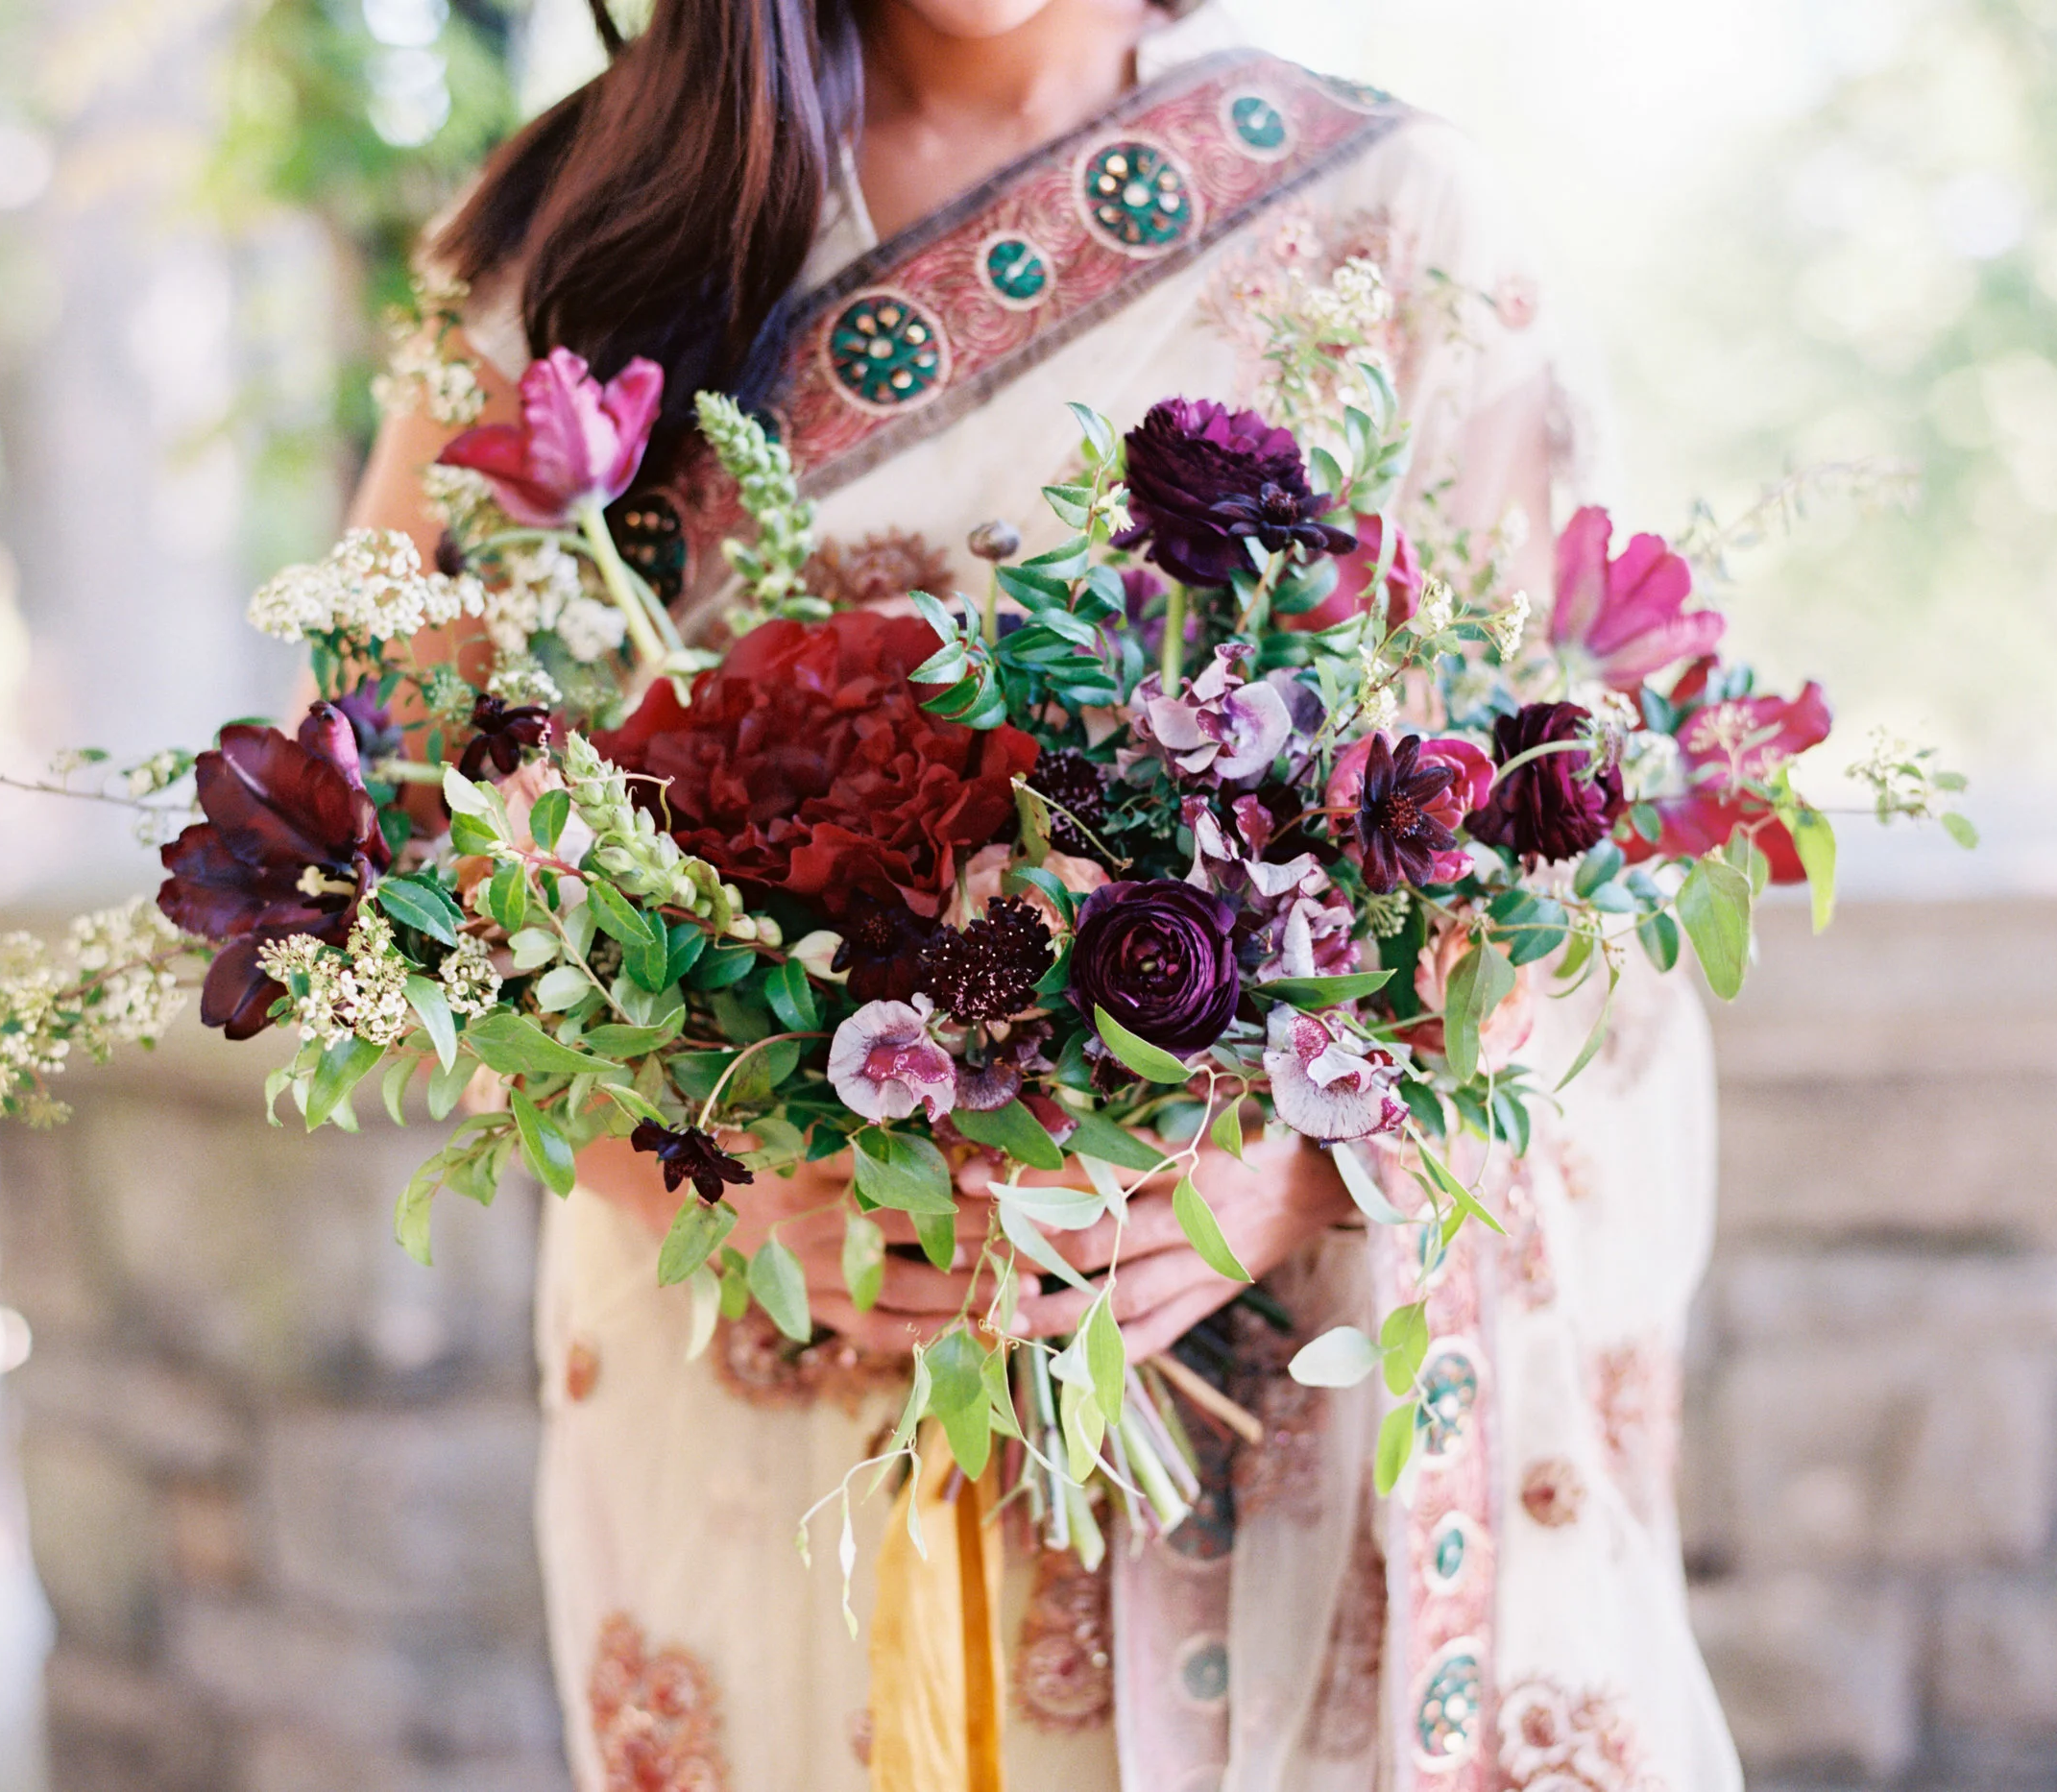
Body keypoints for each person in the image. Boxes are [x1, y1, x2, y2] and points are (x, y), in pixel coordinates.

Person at [351, 2, 1740, 1787]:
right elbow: (391, 867)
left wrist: (1309, 1167)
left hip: (1270, 1418)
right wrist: (712, 1174)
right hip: (777, 1428)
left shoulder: (1389, 218)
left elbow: (1573, 866)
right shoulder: (576, 232)